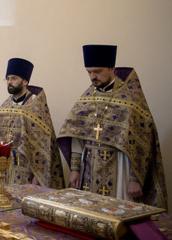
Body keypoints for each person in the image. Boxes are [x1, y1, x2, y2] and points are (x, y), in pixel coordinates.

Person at [58, 45, 167, 209]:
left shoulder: (130, 98)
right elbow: (77, 137)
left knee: (118, 215)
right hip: (88, 168)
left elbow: (140, 142)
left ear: (111, 68)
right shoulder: (87, 98)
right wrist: (74, 169)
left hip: (119, 168)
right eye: (89, 72)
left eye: (97, 71)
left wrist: (135, 179)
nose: (92, 77)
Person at [0, 58, 64, 189]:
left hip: (27, 172)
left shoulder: (36, 107)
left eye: (13, 78)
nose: (9, 82)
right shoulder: (3, 109)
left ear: (25, 81)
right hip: (5, 169)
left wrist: (39, 175)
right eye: (7, 79)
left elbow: (45, 145)